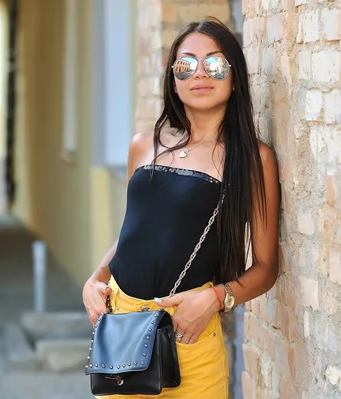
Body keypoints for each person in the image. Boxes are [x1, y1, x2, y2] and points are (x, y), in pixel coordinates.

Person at [82, 17, 280, 398]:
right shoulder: (144, 145)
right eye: (186, 65)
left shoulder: (253, 159)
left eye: (215, 64)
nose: (200, 74)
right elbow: (133, 233)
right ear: (173, 80)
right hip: (121, 329)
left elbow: (266, 268)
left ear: (235, 76)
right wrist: (95, 280)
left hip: (188, 335)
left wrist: (216, 297)